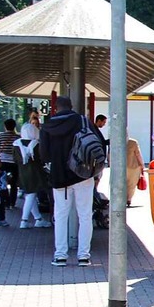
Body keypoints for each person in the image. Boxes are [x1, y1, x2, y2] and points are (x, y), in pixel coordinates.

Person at [40, 96, 103, 267]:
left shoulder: (48, 126)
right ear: (72, 106)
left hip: (59, 177)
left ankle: (60, 256)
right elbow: (100, 144)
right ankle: (84, 256)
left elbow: (44, 155)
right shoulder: (83, 121)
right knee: (85, 216)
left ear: (55, 108)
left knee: (60, 216)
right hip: (83, 175)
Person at [13, 124, 52, 229]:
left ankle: (38, 219)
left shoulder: (16, 144)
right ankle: (24, 220)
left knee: (30, 196)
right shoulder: (36, 144)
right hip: (36, 174)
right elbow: (43, 158)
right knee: (31, 196)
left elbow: (15, 159)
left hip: (22, 173)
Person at [0, 118, 20, 208]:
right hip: (14, 163)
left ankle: (4, 202)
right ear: (14, 127)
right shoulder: (18, 137)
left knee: (2, 183)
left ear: (5, 126)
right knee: (13, 184)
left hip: (2, 163)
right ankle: (12, 203)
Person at [126, 134, 145, 207]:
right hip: (133, 167)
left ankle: (122, 198)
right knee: (131, 184)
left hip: (120, 167)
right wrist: (142, 165)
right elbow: (138, 154)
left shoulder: (115, 142)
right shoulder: (133, 142)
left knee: (121, 184)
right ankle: (129, 199)